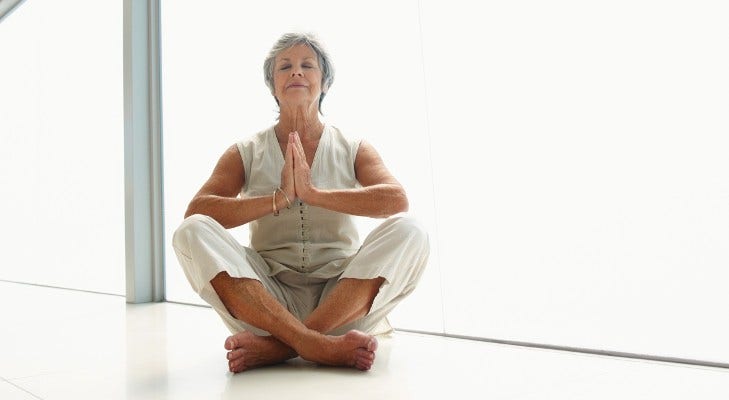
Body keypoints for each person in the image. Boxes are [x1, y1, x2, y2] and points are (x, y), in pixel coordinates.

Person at [172, 32, 429, 373]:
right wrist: (277, 199)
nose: (296, 73)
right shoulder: (245, 151)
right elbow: (198, 210)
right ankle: (318, 345)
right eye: (285, 67)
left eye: (307, 65)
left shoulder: (355, 147)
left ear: (324, 84)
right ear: (272, 85)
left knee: (412, 230)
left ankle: (280, 348)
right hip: (266, 301)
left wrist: (314, 195)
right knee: (191, 231)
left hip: (341, 300)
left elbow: (396, 200)